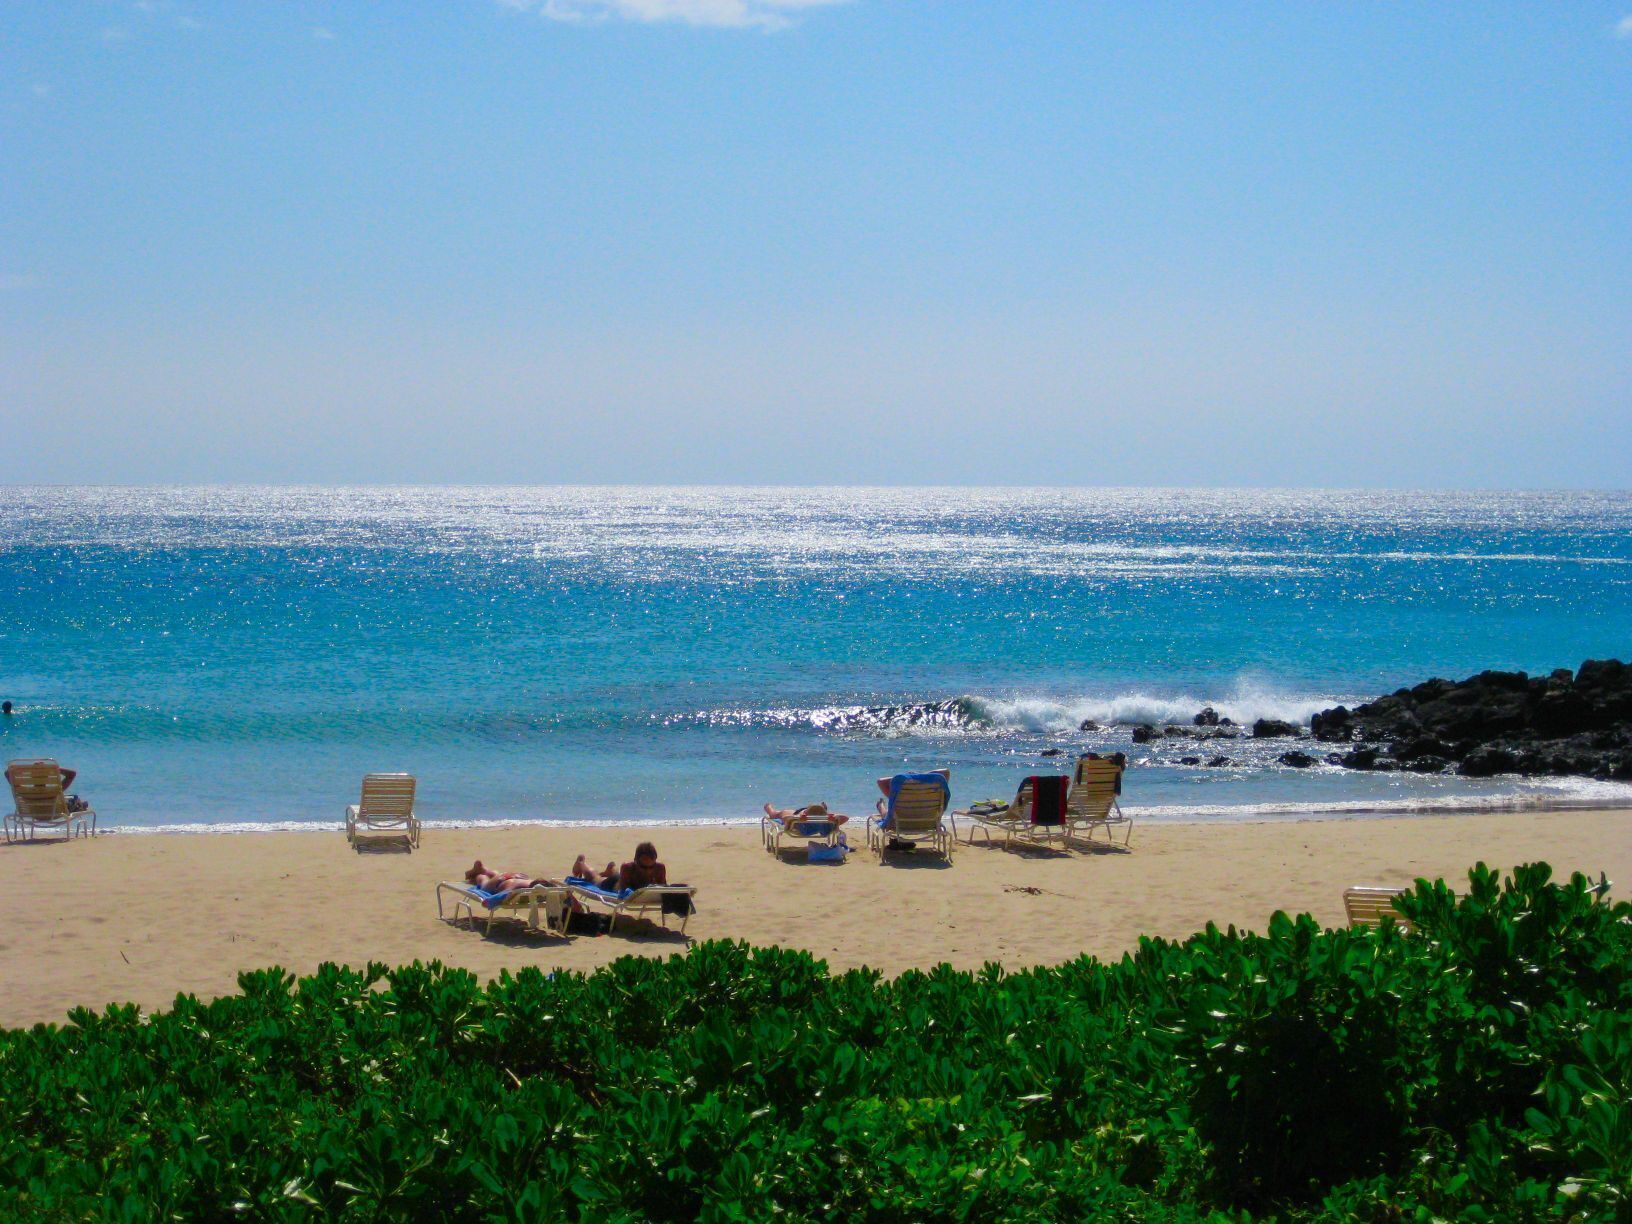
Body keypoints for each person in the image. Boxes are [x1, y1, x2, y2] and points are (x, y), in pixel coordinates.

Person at [762, 800, 849, 830]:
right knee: (781, 813)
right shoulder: (825, 822)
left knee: (775, 814)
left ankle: (769, 807)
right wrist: (830, 816)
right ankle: (818, 810)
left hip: (799, 817)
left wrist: (798, 817)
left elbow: (786, 819)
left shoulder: (796, 821)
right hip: (811, 817)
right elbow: (845, 817)